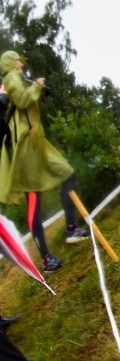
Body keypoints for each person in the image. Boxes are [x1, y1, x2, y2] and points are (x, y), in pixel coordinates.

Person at [0, 51, 89, 273]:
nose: (22, 63)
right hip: (26, 147)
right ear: (11, 62)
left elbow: (26, 104)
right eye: (18, 59)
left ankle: (71, 228)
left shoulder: (17, 80)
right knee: (34, 199)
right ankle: (46, 259)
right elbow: (22, 100)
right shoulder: (10, 78)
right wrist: (37, 86)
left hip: (37, 142)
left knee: (68, 173)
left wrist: (39, 92)